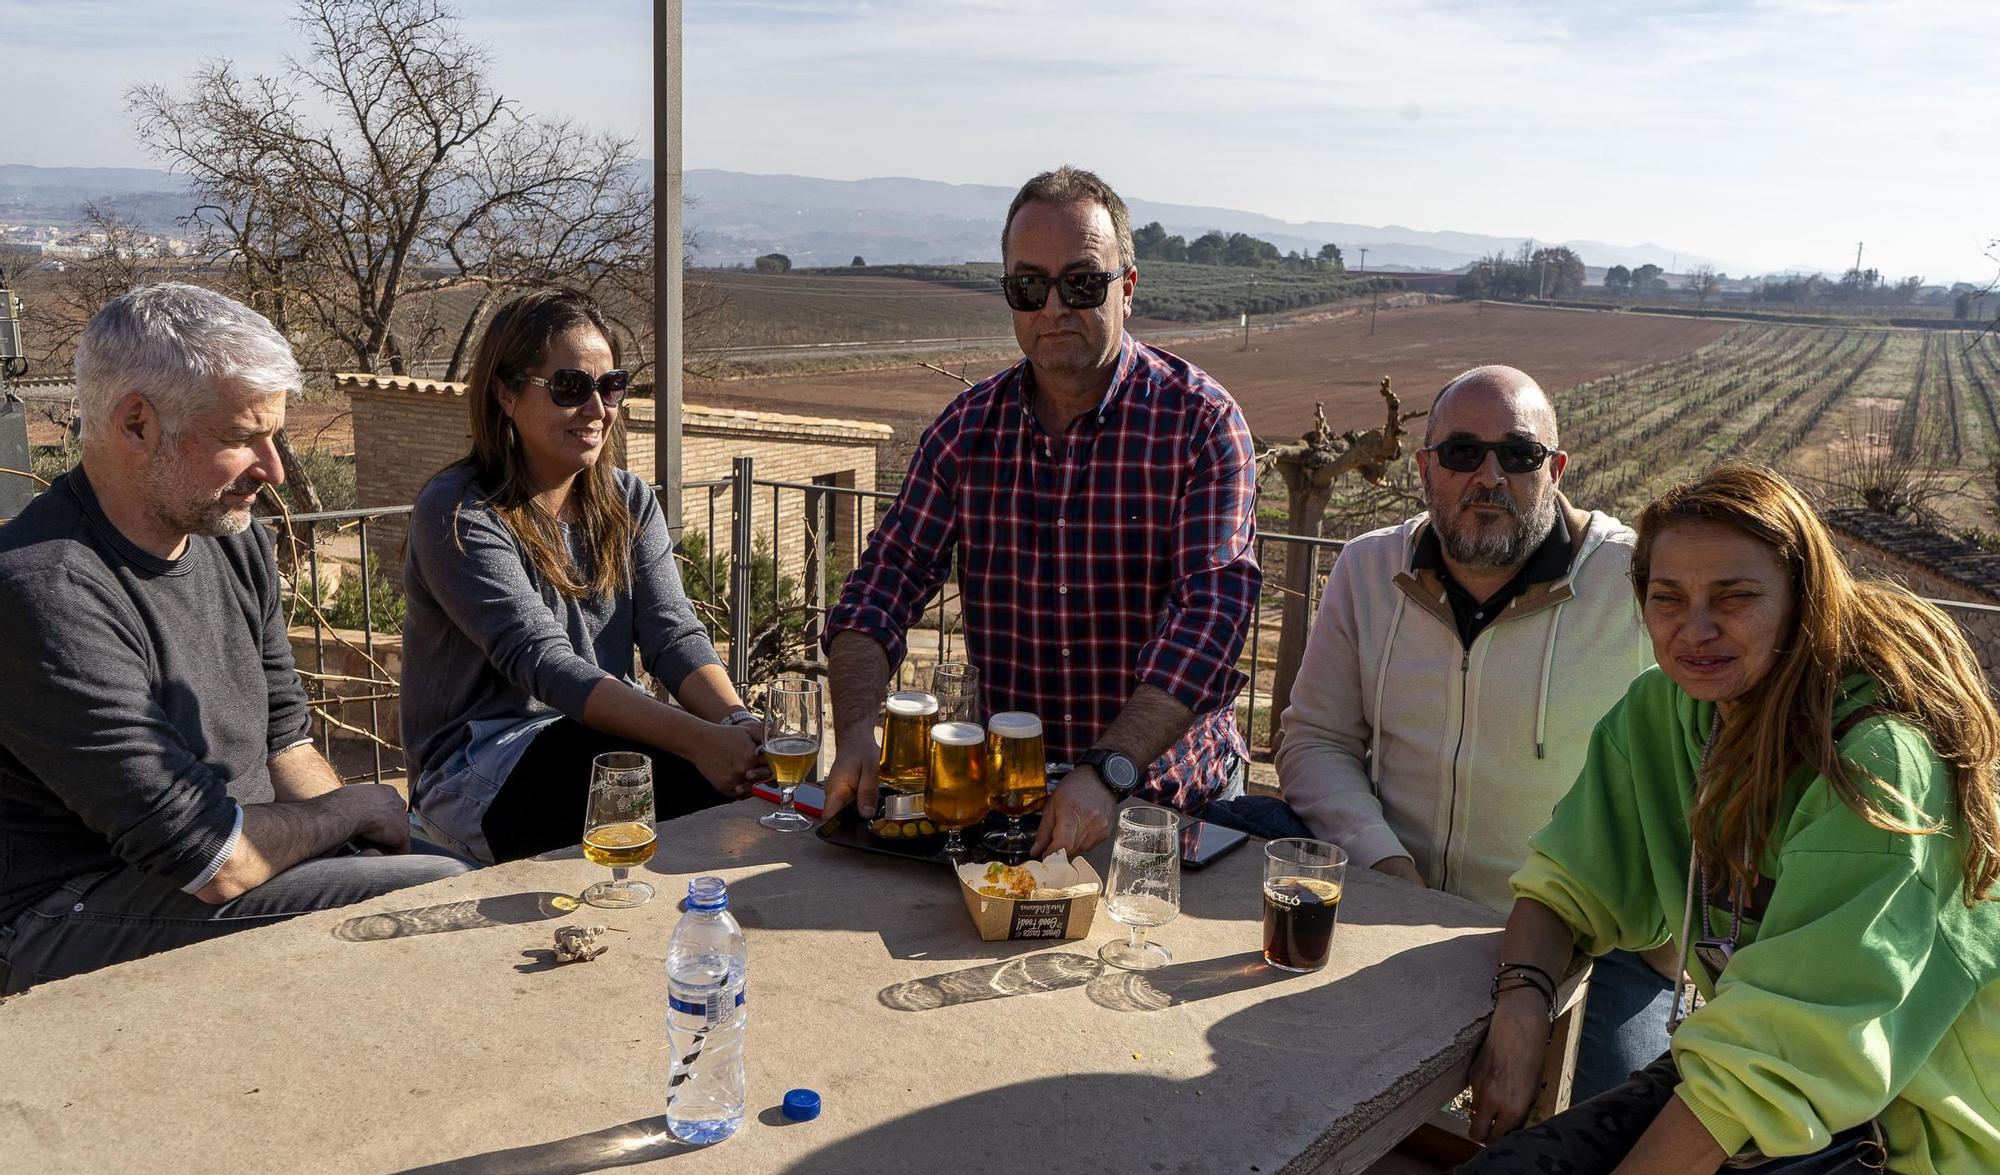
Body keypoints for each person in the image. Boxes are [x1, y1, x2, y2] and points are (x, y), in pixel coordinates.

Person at [1441, 464, 2000, 1175]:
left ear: (1804, 597)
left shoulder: (1878, 763)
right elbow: (1570, 880)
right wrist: (1522, 1002)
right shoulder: (1672, 711)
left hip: (1932, 1169)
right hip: (1753, 1095)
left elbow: (1783, 1048)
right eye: (1667, 598)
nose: (1694, 629)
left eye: (1733, 597)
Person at [0, 283, 470, 993]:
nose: (273, 469)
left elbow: (286, 737)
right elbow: (211, 856)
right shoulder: (46, 589)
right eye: (241, 438)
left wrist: (354, 836)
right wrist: (347, 812)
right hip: (68, 913)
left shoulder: (232, 538)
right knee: (438, 896)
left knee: (461, 876)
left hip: (235, 861)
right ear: (136, 425)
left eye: (274, 436)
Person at [1223, 365, 1664, 1099]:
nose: (1488, 475)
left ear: (1555, 470)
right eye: (1461, 453)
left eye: (1518, 455)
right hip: (1388, 902)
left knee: (1609, 1130)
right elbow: (1313, 738)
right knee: (1266, 1068)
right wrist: (1389, 870)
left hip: (1589, 944)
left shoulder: (1636, 586)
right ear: (1426, 468)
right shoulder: (1369, 569)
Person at [820, 166, 1259, 856]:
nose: (1053, 307)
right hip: (1012, 804)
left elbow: (1208, 621)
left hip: (1164, 804)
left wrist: (1106, 769)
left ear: (1128, 289)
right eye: (1029, 286)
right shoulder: (967, 430)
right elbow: (880, 587)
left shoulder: (1200, 423)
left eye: (1081, 283)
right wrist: (853, 732)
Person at [400, 289, 763, 865]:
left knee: (739, 792)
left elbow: (673, 635)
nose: (596, 409)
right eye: (570, 388)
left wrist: (738, 729)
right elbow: (544, 663)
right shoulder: (459, 512)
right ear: (505, 393)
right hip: (481, 764)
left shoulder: (629, 501)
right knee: (647, 780)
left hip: (600, 743)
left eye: (611, 386)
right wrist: (699, 742)